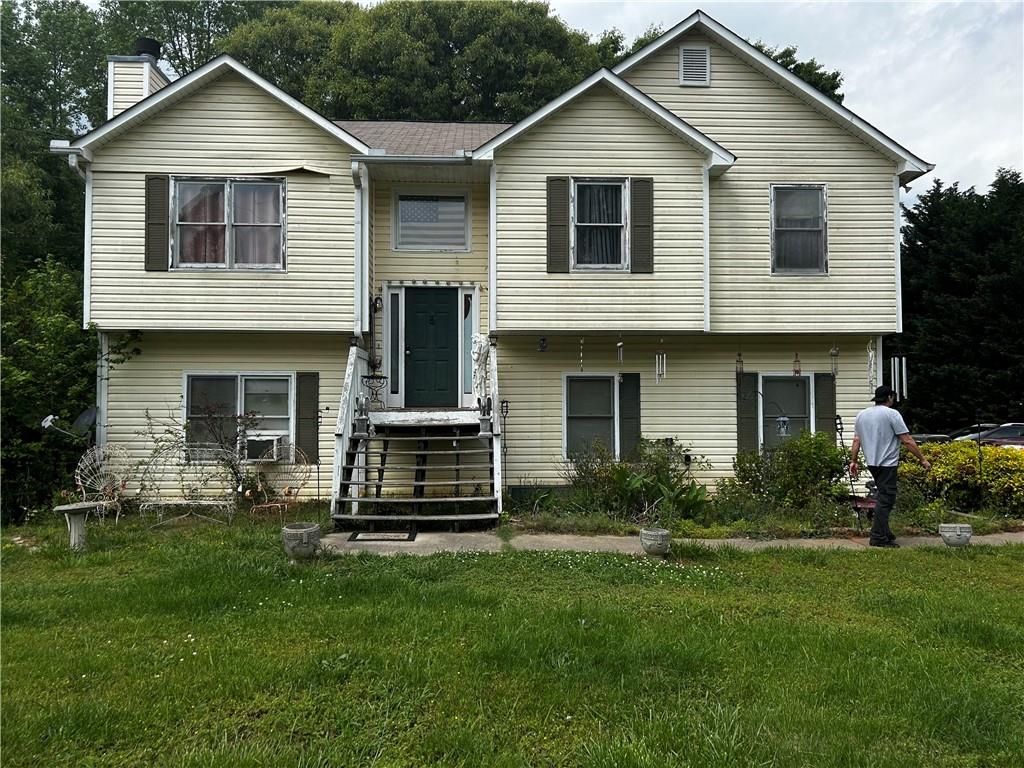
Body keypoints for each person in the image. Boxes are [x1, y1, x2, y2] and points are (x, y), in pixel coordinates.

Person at [849, 385, 931, 548]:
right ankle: (878, 537)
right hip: (887, 463)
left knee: (883, 497)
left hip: (872, 463)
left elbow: (856, 441)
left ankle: (885, 533)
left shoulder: (862, 415)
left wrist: (854, 461)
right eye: (892, 397)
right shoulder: (892, 414)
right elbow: (906, 439)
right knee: (886, 500)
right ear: (889, 398)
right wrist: (922, 459)